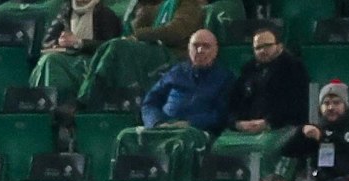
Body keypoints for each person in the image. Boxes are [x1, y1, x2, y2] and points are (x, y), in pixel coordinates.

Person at [130, 27, 231, 168]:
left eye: (206, 46)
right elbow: (150, 102)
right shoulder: (176, 72)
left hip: (196, 131)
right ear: (189, 49)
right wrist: (157, 123)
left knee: (181, 142)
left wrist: (188, 123)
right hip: (162, 127)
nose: (200, 50)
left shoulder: (225, 78)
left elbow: (221, 114)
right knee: (126, 137)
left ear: (215, 51)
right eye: (195, 46)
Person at [216, 21, 307, 166]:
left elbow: (297, 106)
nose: (263, 50)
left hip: (280, 127)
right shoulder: (248, 70)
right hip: (247, 129)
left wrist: (268, 123)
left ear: (279, 46)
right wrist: (237, 123)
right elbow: (234, 102)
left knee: (262, 148)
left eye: (267, 46)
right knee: (218, 147)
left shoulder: (294, 69)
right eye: (258, 47)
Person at [30, 0, 124, 99]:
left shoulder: (105, 14)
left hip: (91, 62)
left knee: (52, 61)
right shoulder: (66, 11)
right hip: (68, 57)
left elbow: (110, 47)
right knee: (47, 60)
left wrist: (80, 43)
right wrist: (60, 42)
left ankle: (52, 100)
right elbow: (47, 42)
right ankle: (44, 99)